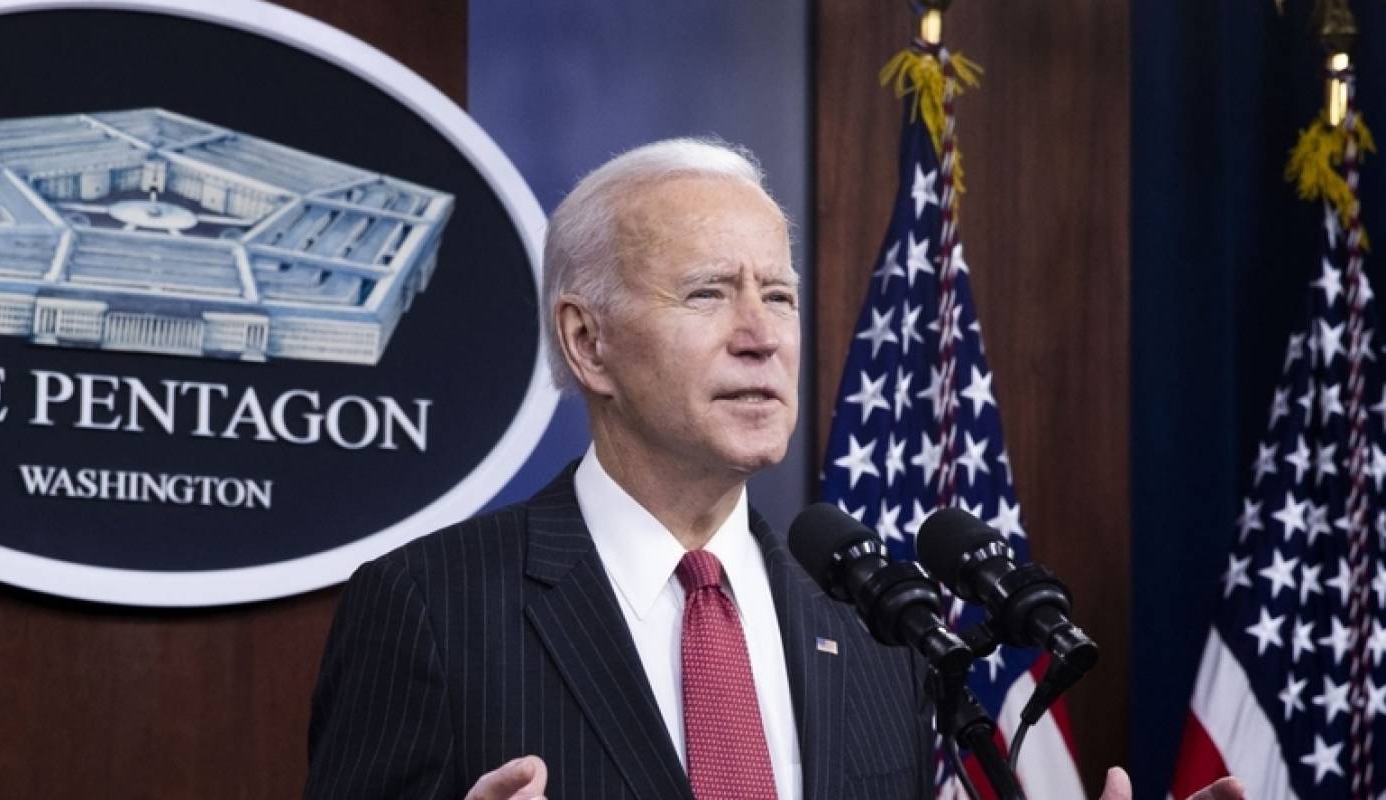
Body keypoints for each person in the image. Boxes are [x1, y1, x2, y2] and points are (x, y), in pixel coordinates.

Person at [305, 139, 1243, 800]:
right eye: (708, 294)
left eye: (780, 296)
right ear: (588, 343)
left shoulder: (875, 623)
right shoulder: (431, 606)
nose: (761, 336)